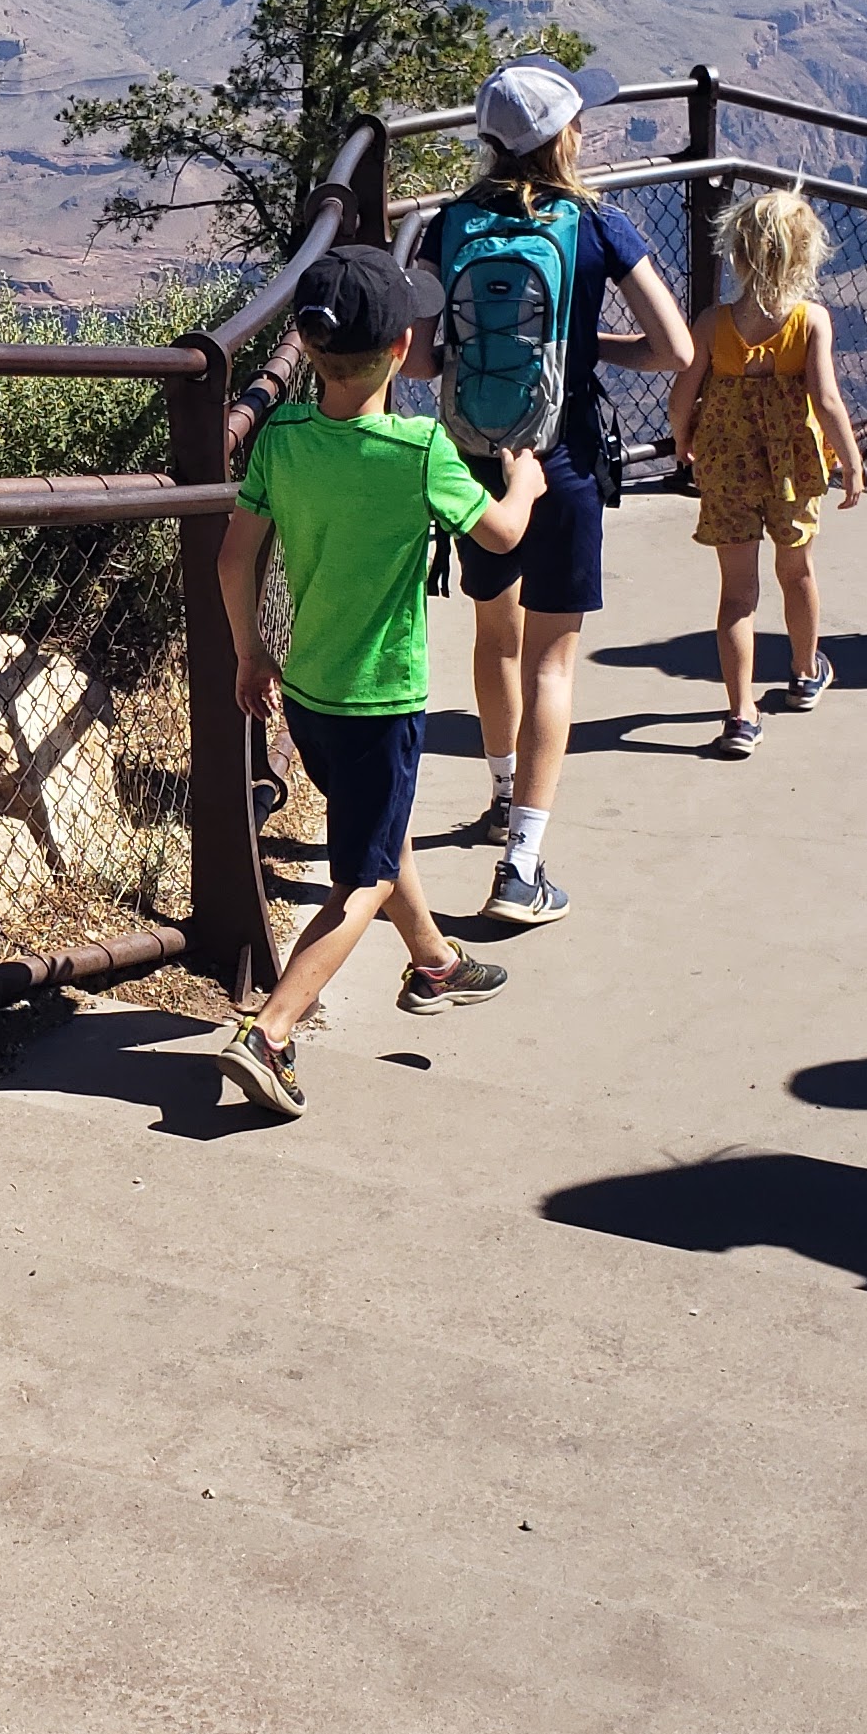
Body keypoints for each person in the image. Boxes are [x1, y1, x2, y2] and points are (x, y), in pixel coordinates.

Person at [213, 242, 546, 1120]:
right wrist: (526, 484)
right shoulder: (419, 449)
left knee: (377, 831)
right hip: (382, 699)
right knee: (360, 878)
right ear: (402, 349)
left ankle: (434, 963)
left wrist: (251, 653)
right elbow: (501, 536)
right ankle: (271, 1030)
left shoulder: (282, 438)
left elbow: (234, 559)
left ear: (310, 352)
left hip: (308, 692)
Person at [405, 59, 692, 928]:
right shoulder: (599, 224)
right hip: (561, 460)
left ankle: (499, 794)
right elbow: (675, 349)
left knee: (495, 634)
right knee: (552, 662)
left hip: (473, 459)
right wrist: (587, 349)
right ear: (564, 137)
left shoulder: (447, 223)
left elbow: (417, 361)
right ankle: (521, 866)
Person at [666, 185, 864, 754]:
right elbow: (826, 400)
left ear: (738, 253)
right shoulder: (811, 321)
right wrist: (851, 462)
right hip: (792, 469)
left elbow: (681, 398)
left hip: (726, 466)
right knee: (796, 572)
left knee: (737, 593)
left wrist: (684, 438)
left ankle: (740, 715)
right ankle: (804, 673)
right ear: (806, 256)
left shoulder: (713, 323)